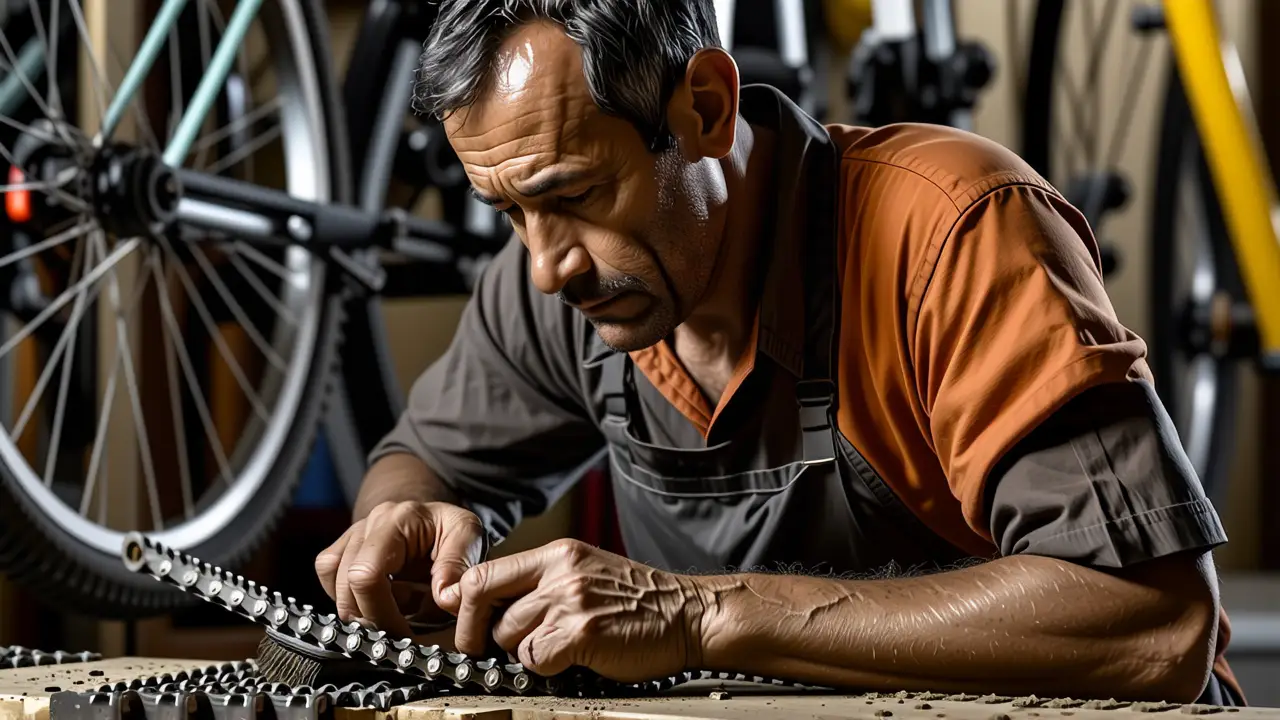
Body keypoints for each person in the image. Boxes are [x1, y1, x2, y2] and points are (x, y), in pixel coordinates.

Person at [314, 0, 1244, 705]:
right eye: (509, 211)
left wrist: (697, 615)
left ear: (707, 109)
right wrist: (406, 523)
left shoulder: (951, 232)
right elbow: (425, 466)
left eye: (578, 193)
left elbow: (1154, 625)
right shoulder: (564, 278)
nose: (546, 266)